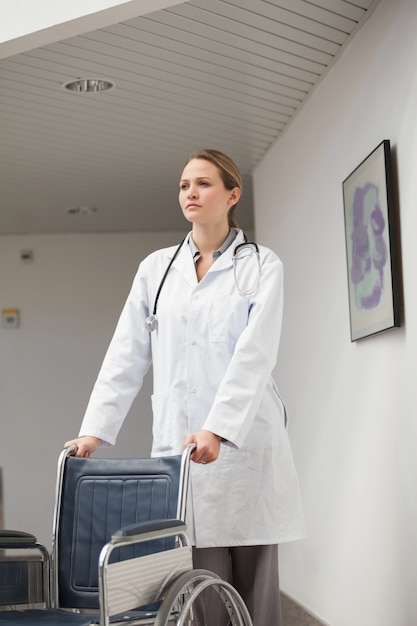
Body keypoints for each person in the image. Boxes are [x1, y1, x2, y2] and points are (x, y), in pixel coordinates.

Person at [65, 149, 305, 625]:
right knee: (197, 588)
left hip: (245, 443)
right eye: (183, 186)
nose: (190, 193)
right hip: (184, 449)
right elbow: (127, 352)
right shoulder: (156, 270)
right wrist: (96, 429)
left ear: (232, 194)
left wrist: (218, 428)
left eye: (203, 184)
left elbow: (254, 356)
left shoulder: (260, 265)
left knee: (255, 592)